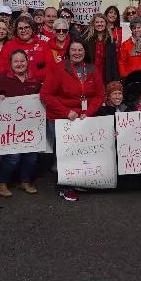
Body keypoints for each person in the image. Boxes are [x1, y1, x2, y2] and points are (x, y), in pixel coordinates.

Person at [40, 40, 104, 202]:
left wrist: (88, 112)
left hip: (83, 117)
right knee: (65, 154)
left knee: (80, 151)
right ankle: (64, 186)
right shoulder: (58, 69)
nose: (77, 53)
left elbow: (99, 95)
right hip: (62, 117)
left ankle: (76, 181)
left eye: (80, 50)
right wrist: (66, 112)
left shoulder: (92, 69)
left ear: (85, 52)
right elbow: (46, 95)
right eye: (73, 50)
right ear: (68, 52)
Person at [0, 51, 43, 197]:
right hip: (10, 128)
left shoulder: (35, 79)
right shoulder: (3, 78)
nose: (19, 64)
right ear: (11, 63)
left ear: (27, 61)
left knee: (32, 155)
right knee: (13, 157)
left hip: (31, 125)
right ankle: (1, 183)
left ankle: (25, 181)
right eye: (16, 61)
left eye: (22, 61)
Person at [0, 17, 50, 81]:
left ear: (32, 29)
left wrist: (34, 76)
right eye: (20, 28)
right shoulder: (9, 45)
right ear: (16, 31)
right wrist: (17, 77)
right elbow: (1, 66)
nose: (23, 30)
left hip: (38, 83)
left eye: (26, 27)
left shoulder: (43, 44)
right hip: (14, 83)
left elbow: (50, 66)